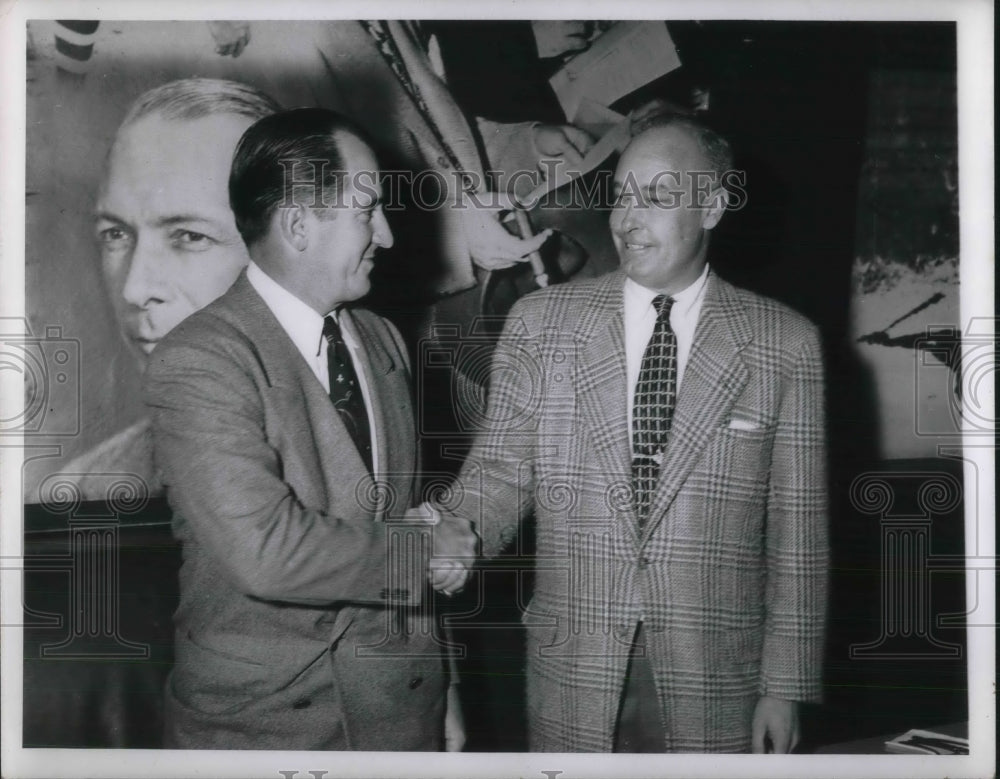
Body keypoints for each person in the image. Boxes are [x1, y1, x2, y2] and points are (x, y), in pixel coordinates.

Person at [433, 114, 829, 752]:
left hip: (720, 676)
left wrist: (785, 686)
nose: (628, 217)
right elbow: (499, 476)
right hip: (573, 666)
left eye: (659, 197)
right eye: (620, 195)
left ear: (714, 206)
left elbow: (799, 534)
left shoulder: (784, 344)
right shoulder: (542, 323)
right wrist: (454, 531)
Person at [143, 107, 476, 750]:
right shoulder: (200, 360)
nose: (386, 234)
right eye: (367, 210)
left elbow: (402, 518)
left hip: (403, 713)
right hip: (267, 730)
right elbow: (267, 553)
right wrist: (429, 553)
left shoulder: (382, 338)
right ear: (298, 225)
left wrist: (445, 689)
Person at [42, 78, 280, 502]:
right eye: (115, 234)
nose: (134, 289)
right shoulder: (82, 488)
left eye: (189, 236)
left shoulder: (382, 462)